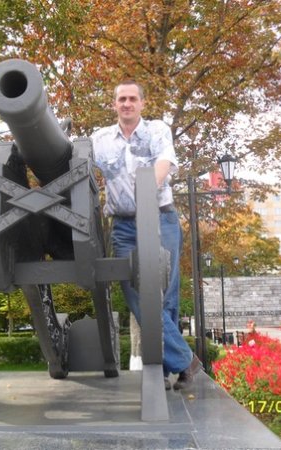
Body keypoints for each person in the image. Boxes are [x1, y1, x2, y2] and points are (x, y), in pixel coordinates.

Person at [91, 80, 201, 390]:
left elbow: (164, 162)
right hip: (124, 225)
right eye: (121, 99)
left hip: (159, 218)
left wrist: (147, 186)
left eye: (132, 98)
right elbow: (74, 161)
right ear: (114, 104)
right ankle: (186, 360)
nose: (126, 103)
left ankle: (166, 368)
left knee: (166, 294)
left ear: (142, 103)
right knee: (135, 293)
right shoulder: (100, 140)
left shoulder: (157, 130)